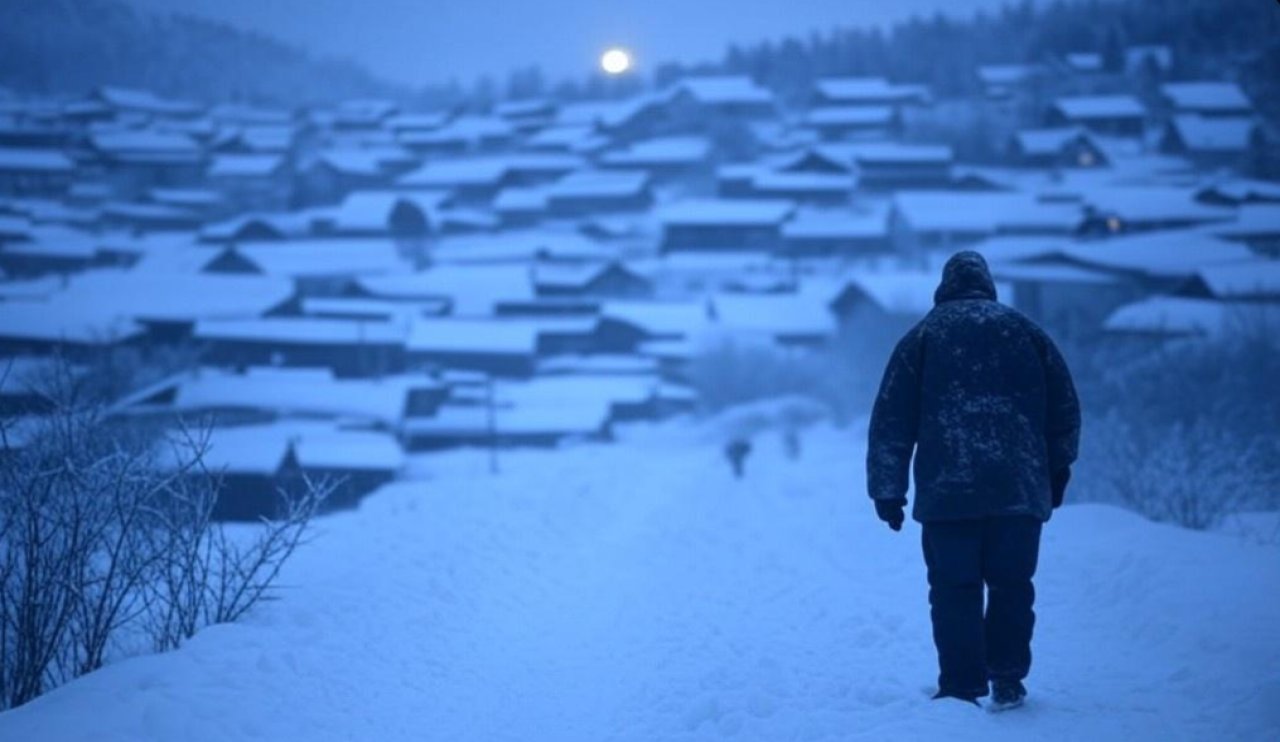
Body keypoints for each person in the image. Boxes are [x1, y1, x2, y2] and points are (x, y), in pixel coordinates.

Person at [866, 251, 1080, 711]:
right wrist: (1056, 472)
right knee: (1012, 586)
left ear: (944, 287)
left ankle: (962, 686)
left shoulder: (922, 337)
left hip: (949, 492)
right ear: (988, 285)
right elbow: (1064, 412)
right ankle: (1006, 678)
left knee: (953, 589)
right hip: (1019, 491)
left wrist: (888, 489)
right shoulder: (1025, 332)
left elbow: (891, 420)